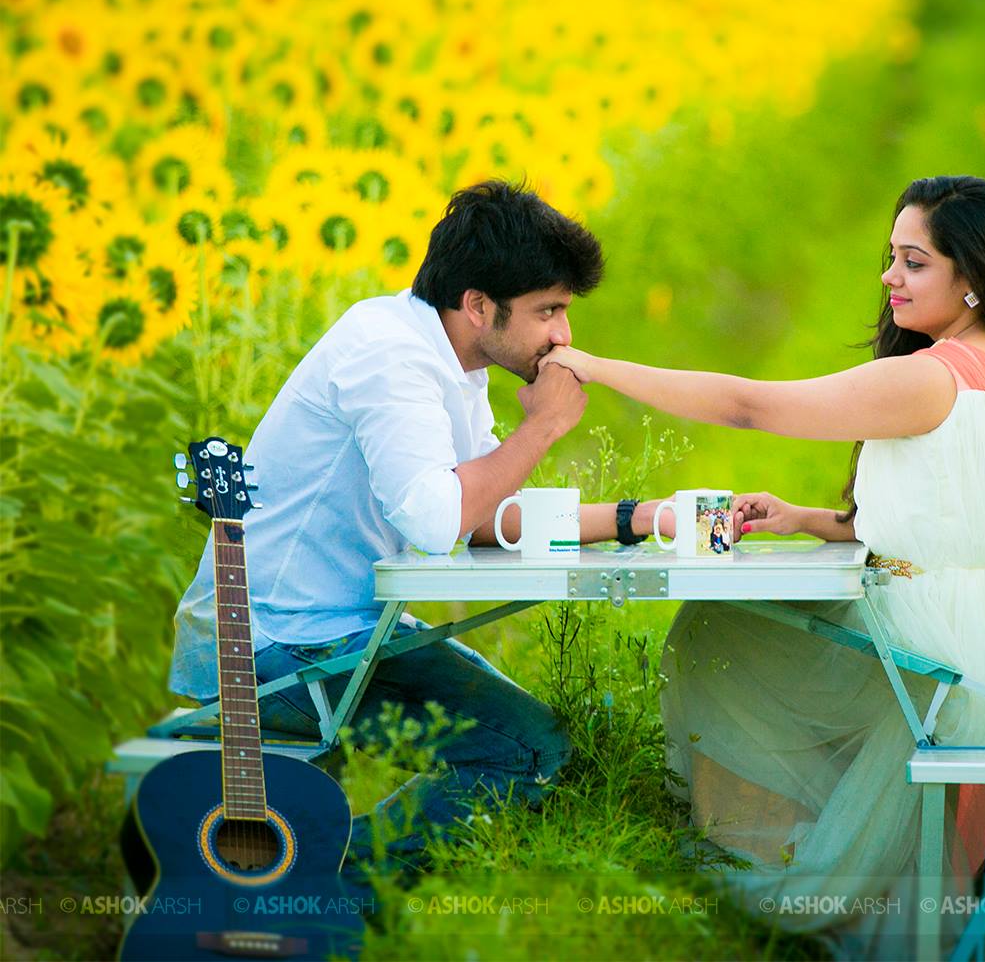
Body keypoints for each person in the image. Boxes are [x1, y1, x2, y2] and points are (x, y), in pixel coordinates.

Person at [541, 175, 985, 955]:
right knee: (764, 642)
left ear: (973, 279)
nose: (889, 278)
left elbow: (750, 405)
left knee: (718, 640)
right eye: (891, 257)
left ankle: (796, 877)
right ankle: (874, 884)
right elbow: (966, 523)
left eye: (913, 262)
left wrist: (594, 366)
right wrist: (809, 520)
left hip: (954, 650)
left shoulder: (932, 376)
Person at [167, 179, 670, 873]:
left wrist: (640, 519)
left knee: (542, 743)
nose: (564, 335)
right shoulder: (390, 358)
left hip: (336, 627)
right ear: (477, 305)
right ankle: (330, 900)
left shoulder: (448, 358)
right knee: (527, 753)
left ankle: (318, 886)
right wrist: (546, 425)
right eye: (548, 310)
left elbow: (484, 513)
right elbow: (441, 520)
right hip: (279, 642)